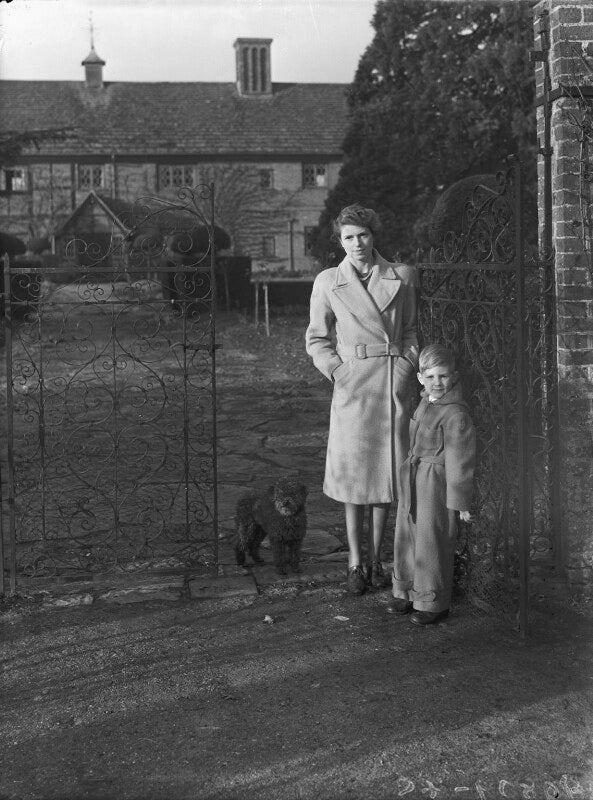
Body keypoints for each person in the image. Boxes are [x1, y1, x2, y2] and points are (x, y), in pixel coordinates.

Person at [305, 204, 419, 594]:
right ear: (340, 241)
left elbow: (411, 331)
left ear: (374, 235)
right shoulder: (327, 281)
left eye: (363, 235)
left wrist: (404, 367)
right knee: (354, 478)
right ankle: (355, 562)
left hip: (389, 384)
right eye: (349, 237)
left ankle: (376, 560)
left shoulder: (402, 276)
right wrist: (338, 371)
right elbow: (317, 339)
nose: (357, 244)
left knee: (385, 479)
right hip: (353, 388)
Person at [387, 343, 476, 625]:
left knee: (431, 541)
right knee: (407, 535)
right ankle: (406, 590)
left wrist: (460, 503)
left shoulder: (456, 414)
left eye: (444, 376)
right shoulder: (426, 403)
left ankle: (433, 601)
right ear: (420, 378)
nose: (437, 382)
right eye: (431, 376)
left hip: (435, 485)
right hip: (414, 478)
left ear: (454, 376)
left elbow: (460, 461)